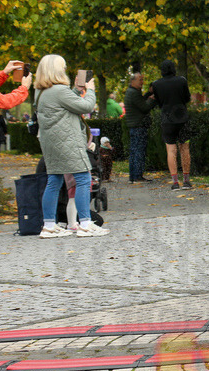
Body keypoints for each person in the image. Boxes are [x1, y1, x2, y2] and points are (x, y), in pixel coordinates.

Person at [33, 54, 109, 238]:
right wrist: (90, 90)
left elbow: (65, 105)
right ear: (57, 71)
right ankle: (84, 224)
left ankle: (49, 225)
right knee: (83, 178)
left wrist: (75, 90)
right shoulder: (59, 90)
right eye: (63, 68)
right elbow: (86, 106)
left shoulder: (41, 92)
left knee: (54, 181)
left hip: (51, 144)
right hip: (68, 142)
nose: (65, 71)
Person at [150, 60, 192, 190]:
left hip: (167, 119)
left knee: (171, 150)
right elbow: (187, 98)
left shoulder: (156, 84)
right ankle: (186, 180)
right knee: (184, 148)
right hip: (182, 118)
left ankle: (175, 182)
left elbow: (158, 102)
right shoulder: (182, 80)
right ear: (174, 69)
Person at [123, 71, 155, 183]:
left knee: (134, 151)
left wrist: (147, 95)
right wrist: (152, 99)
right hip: (138, 126)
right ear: (133, 81)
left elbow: (140, 103)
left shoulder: (131, 92)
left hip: (134, 126)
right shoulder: (134, 93)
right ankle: (137, 176)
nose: (142, 82)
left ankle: (133, 176)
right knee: (139, 151)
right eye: (140, 79)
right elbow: (144, 107)